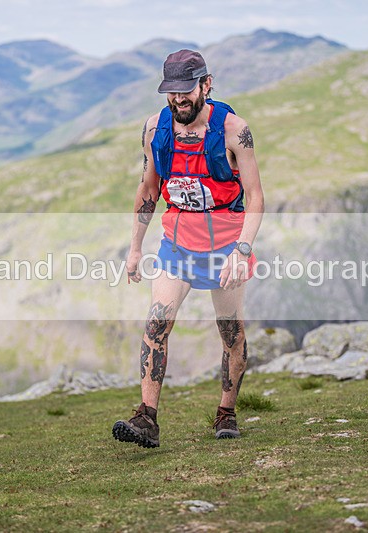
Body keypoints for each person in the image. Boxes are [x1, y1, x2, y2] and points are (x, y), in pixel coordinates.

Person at [112, 49, 264, 448]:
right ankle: (146, 418)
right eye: (171, 93)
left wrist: (242, 250)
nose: (179, 100)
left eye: (186, 91)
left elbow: (256, 196)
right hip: (176, 243)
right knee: (156, 324)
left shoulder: (235, 131)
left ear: (206, 84)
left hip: (226, 243)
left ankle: (226, 412)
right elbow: (148, 190)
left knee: (230, 333)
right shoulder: (154, 129)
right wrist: (134, 248)